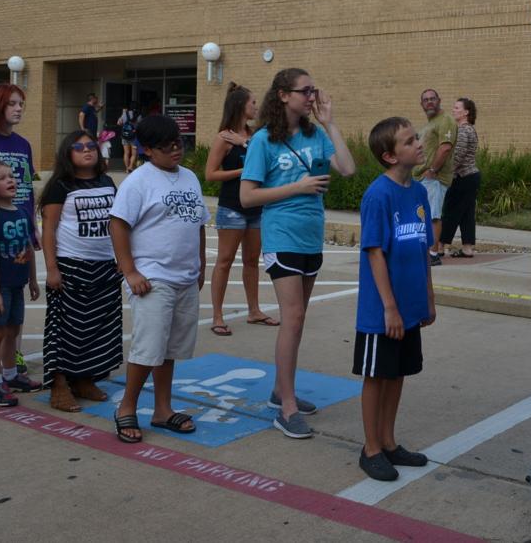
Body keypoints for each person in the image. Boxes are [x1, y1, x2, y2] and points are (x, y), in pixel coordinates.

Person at [240, 68, 356, 439]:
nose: (311, 97)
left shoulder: (314, 134)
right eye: (305, 91)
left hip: (310, 237)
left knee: (299, 318)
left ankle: (281, 389)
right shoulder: (262, 140)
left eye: (314, 90)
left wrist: (331, 123)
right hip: (281, 236)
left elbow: (348, 169)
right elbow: (247, 196)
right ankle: (286, 407)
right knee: (292, 318)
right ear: (282, 95)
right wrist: (298, 186)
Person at [111, 116, 208, 443]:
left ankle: (162, 410)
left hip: (184, 277)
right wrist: (130, 271)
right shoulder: (138, 182)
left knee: (169, 348)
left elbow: (199, 224)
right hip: (152, 278)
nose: (176, 150)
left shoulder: (190, 178)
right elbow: (118, 225)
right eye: (167, 147)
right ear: (148, 150)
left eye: (178, 143)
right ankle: (127, 407)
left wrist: (201, 264)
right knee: (148, 347)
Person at [354, 117, 437, 481]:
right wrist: (389, 307)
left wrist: (428, 299)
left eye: (416, 138)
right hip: (382, 312)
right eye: (409, 141)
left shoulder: (419, 193)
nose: (418, 144)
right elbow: (375, 253)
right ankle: (370, 448)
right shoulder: (378, 195)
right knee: (377, 376)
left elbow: (424, 251)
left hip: (410, 307)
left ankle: (388, 442)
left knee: (398, 372)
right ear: (390, 156)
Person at [40, 130, 123, 413]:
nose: (87, 150)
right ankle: (59, 384)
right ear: (68, 153)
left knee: (99, 328)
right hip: (71, 265)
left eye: (91, 146)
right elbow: (48, 229)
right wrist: (52, 268)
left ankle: (84, 379)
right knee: (65, 329)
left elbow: (118, 224)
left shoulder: (108, 181)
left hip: (106, 266)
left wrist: (123, 258)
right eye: (79, 147)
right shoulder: (60, 186)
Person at [205, 83, 277, 336]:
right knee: (224, 261)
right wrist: (244, 171)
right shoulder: (223, 138)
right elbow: (211, 174)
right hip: (232, 207)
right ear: (240, 107)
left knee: (251, 261)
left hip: (256, 207)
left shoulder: (256, 135)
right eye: (252, 103)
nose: (256, 107)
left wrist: (246, 143)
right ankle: (217, 315)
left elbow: (271, 162)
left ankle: (254, 310)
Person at [0, 83, 39, 375]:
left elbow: (27, 187)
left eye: (21, 104)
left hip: (20, 225)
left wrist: (32, 225)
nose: (18, 109)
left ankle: (11, 359)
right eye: (12, 104)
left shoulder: (23, 144)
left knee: (15, 297)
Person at [0, 160, 41, 406]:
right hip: (0, 285)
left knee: (13, 330)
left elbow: (28, 247)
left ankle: (11, 375)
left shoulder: (22, 212)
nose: (10, 181)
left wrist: (33, 279)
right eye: (1, 178)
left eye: (11, 176)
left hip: (18, 283)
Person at [413, 89, 456, 266]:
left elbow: (445, 147)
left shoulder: (446, 120)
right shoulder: (430, 123)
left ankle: (433, 253)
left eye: (432, 99)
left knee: (433, 216)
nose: (429, 102)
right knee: (423, 215)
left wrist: (432, 169)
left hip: (435, 178)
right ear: (421, 104)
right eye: (425, 100)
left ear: (439, 100)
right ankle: (425, 250)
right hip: (421, 178)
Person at [438, 97, 481, 258]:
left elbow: (457, 156)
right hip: (471, 177)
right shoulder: (469, 129)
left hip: (462, 177)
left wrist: (444, 173)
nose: (453, 110)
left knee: (450, 211)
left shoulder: (463, 130)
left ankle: (440, 246)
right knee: (466, 214)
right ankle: (467, 248)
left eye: (457, 108)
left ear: (466, 112)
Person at [118, 101, 139, 172]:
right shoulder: (138, 115)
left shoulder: (125, 114)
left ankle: (127, 168)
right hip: (134, 136)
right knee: (134, 154)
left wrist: (123, 114)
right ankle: (130, 166)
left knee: (126, 153)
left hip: (125, 136)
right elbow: (140, 126)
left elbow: (119, 123)